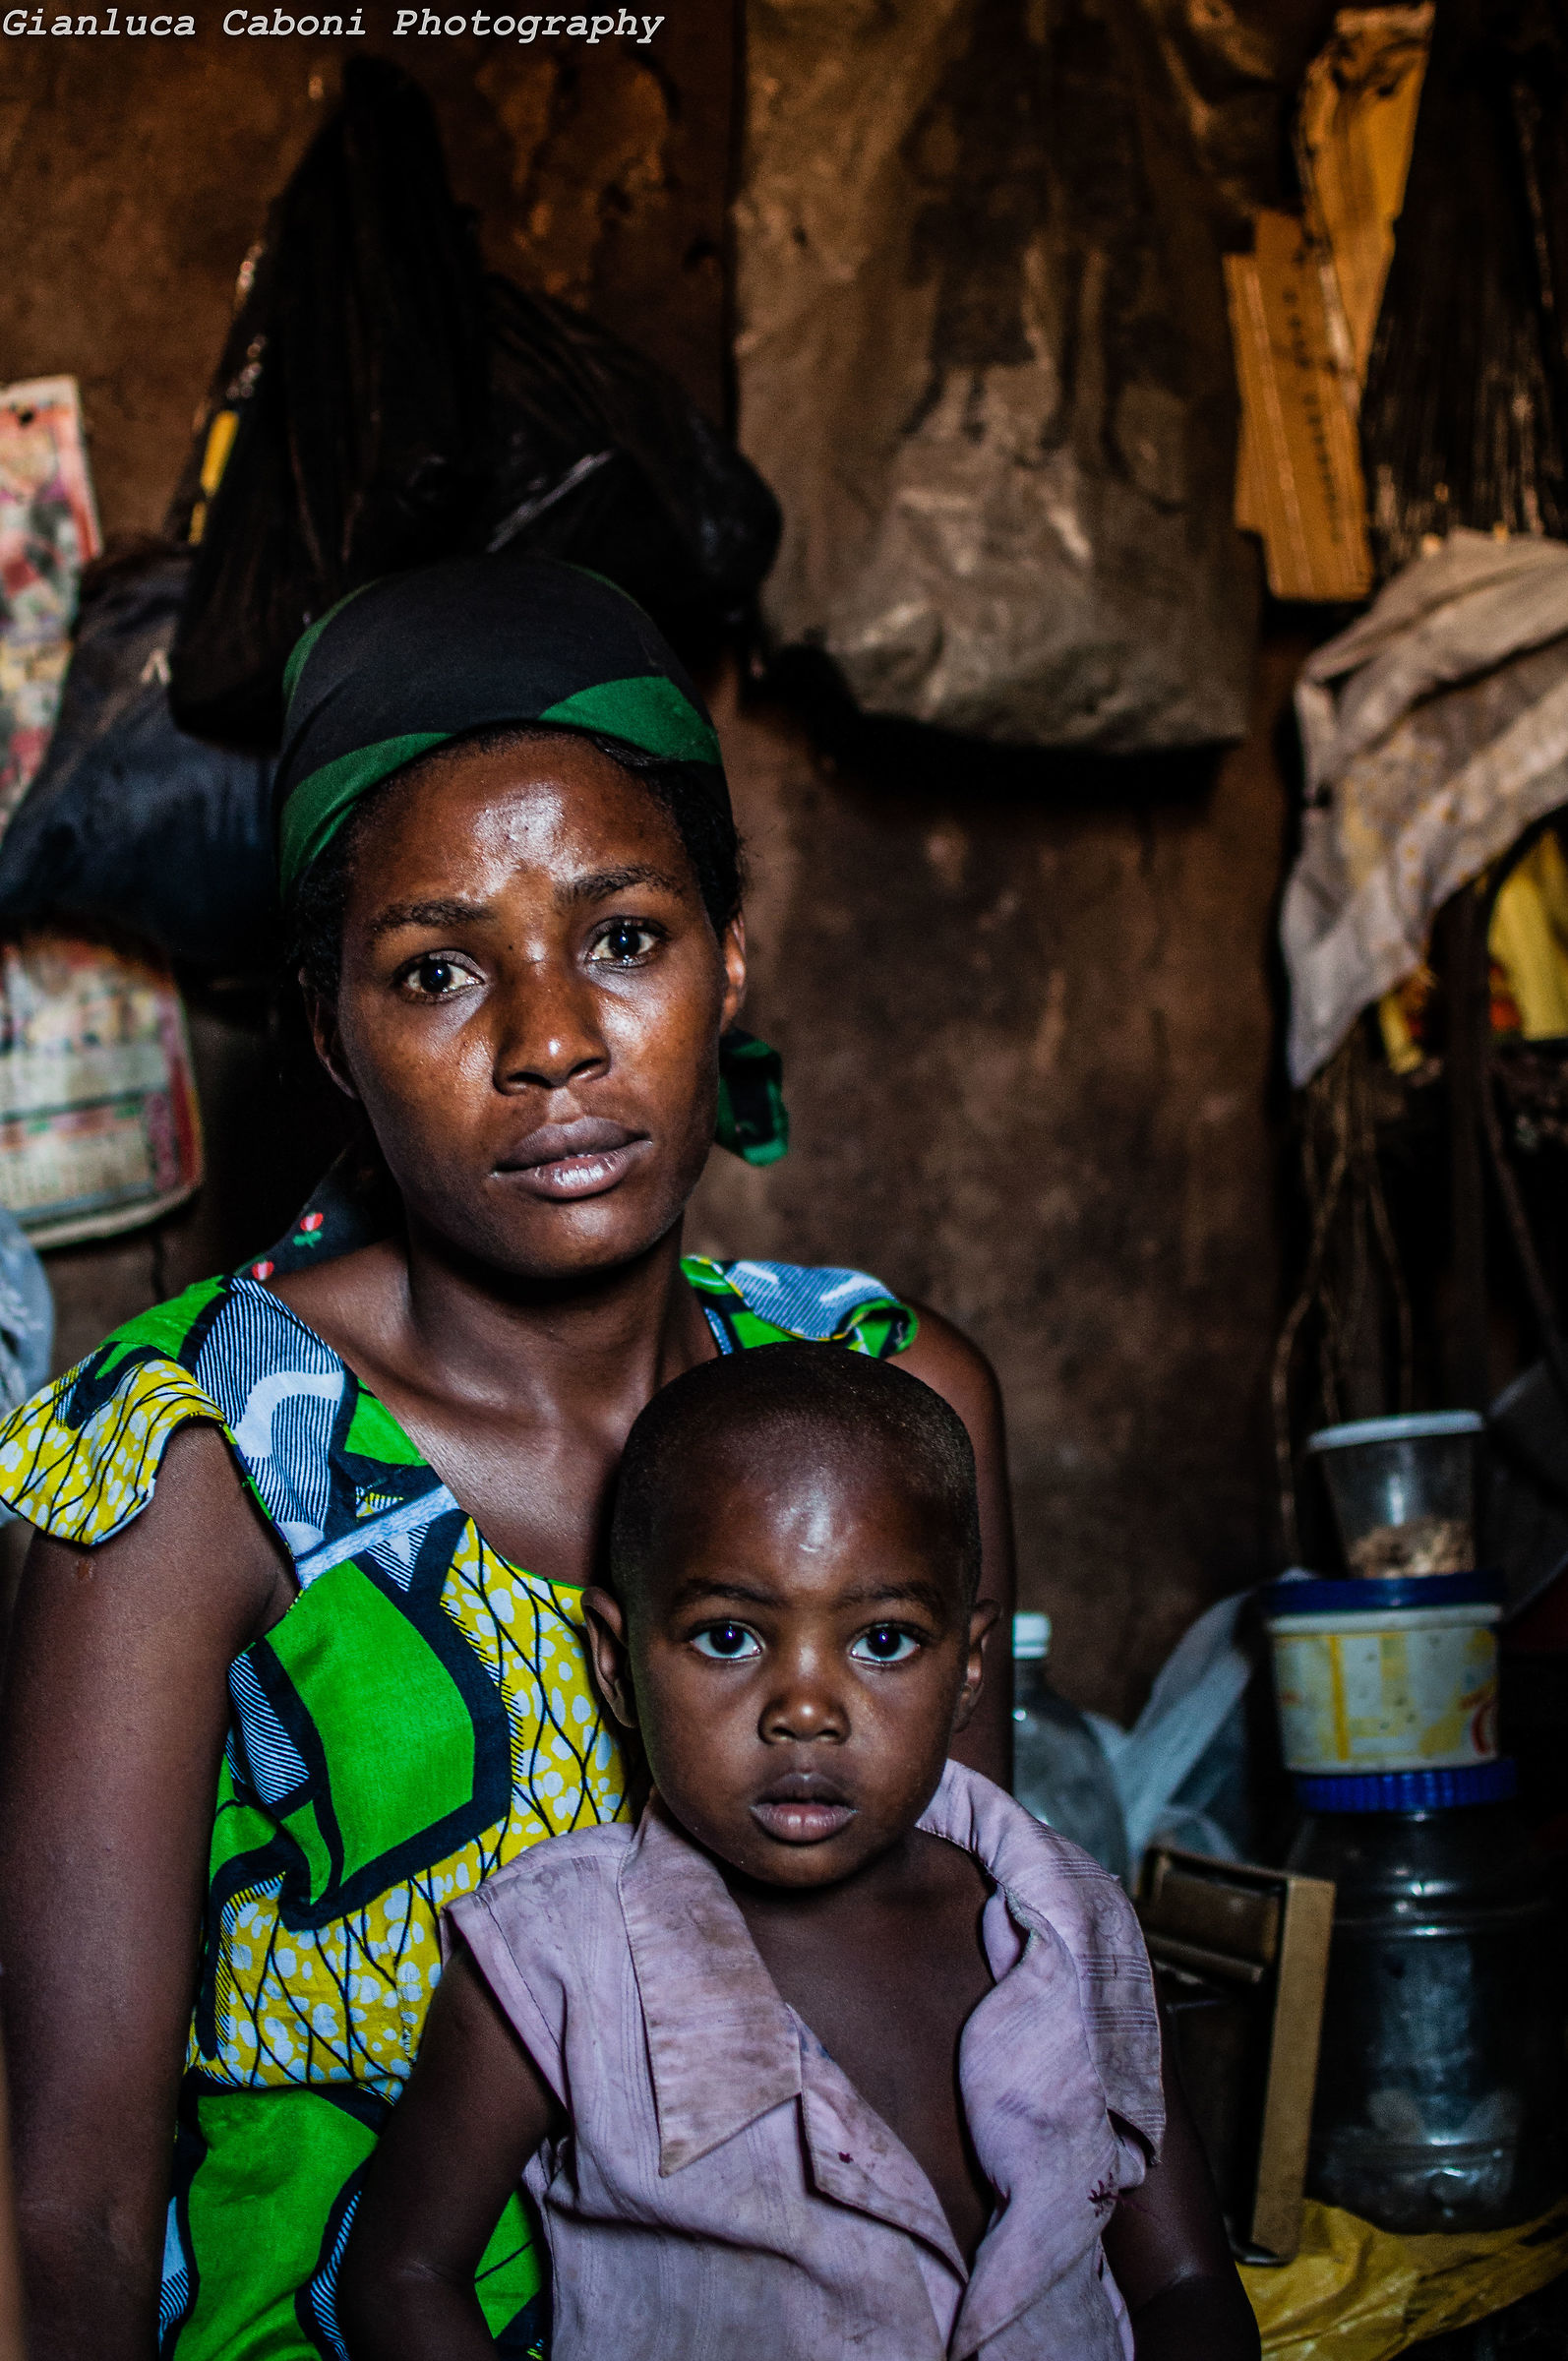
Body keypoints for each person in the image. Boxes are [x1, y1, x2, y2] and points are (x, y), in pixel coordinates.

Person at [0, 557, 1016, 2361]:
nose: (550, 1042)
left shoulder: (884, 1403)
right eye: (438, 972)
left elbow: (957, 1994)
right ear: (330, 1031)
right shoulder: (197, 1458)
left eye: (623, 939)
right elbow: (64, 2208)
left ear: (727, 961)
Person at [338, 1345, 1258, 2361]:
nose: (807, 1710)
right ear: (616, 1662)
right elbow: (401, 2277)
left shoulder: (1073, 1923)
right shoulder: (559, 1952)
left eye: (884, 1641)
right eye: (729, 1637)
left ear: (967, 1669)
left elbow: (1182, 2281)